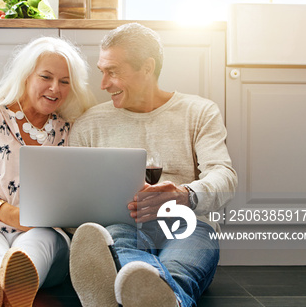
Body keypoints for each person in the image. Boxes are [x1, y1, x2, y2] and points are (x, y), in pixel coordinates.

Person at [68, 23, 237, 307]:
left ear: (147, 67)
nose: (103, 84)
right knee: (117, 243)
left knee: (181, 265)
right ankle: (162, 296)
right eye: (102, 71)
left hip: (186, 223)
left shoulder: (198, 111)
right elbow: (72, 193)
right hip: (122, 224)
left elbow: (224, 176)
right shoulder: (89, 124)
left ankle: (121, 295)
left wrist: (186, 195)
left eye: (113, 71)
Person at [0, 36, 96, 307]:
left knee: (33, 247)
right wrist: (10, 214)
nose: (55, 88)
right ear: (26, 75)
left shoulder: (69, 128)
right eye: (46, 77)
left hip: (43, 230)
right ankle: (2, 290)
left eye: (65, 81)